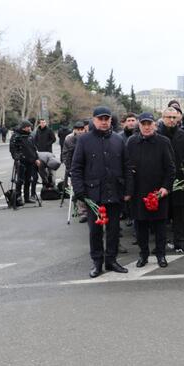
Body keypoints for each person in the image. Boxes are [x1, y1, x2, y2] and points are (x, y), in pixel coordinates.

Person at [70, 106, 131, 278]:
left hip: (115, 192)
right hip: (93, 194)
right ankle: (97, 262)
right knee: (95, 231)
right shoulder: (84, 140)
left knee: (113, 230)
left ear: (111, 120)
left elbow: (127, 167)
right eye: (100, 119)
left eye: (107, 119)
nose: (104, 122)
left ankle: (111, 260)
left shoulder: (118, 140)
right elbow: (76, 168)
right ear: (94, 120)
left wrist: (128, 190)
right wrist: (79, 191)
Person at [127, 112, 176, 268]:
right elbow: (126, 166)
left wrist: (165, 187)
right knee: (140, 226)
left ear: (155, 125)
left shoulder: (163, 142)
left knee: (160, 226)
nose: (147, 127)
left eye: (149, 124)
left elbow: (171, 168)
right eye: (143, 124)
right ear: (139, 125)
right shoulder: (131, 142)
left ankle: (161, 254)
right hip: (138, 192)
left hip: (158, 191)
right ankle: (143, 255)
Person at [158, 107, 184, 253]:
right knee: (161, 215)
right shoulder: (156, 134)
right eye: (168, 117)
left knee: (179, 213)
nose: (171, 120)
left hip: (180, 181)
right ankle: (161, 243)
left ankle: (179, 242)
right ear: (163, 117)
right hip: (160, 181)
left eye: (174, 117)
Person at [9, 120, 41, 207]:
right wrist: (16, 157)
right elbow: (12, 149)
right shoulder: (16, 136)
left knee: (28, 180)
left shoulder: (29, 136)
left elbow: (33, 149)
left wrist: (36, 158)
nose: (30, 128)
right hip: (20, 161)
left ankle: (27, 197)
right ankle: (18, 197)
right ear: (24, 127)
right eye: (28, 127)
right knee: (20, 180)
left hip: (30, 161)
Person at [62, 120, 88, 222]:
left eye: (82, 129)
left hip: (88, 168)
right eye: (78, 130)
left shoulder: (89, 138)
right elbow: (65, 155)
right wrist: (69, 169)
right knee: (78, 191)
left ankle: (90, 210)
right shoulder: (69, 140)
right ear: (74, 130)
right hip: (75, 169)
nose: (80, 132)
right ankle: (83, 213)